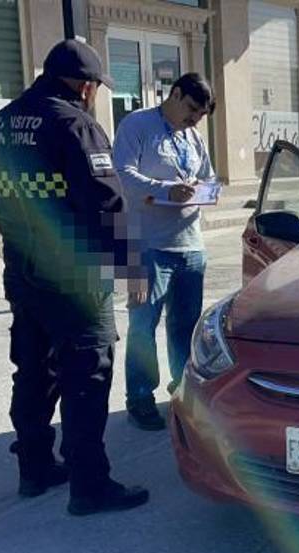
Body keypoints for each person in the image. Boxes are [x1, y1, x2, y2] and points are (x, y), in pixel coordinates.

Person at [0, 39, 149, 516]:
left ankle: (34, 469)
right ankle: (90, 486)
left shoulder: (2, 124)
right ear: (84, 85)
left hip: (24, 272)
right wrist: (131, 266)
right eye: (96, 86)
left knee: (34, 371)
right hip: (75, 280)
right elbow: (106, 204)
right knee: (86, 377)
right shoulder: (74, 123)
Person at [113, 74, 218, 431]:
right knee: (143, 325)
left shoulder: (194, 137)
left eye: (201, 115)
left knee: (185, 327)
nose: (194, 119)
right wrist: (165, 191)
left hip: (190, 245)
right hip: (146, 245)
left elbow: (208, 178)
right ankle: (140, 398)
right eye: (191, 109)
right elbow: (122, 175)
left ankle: (183, 392)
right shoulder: (137, 125)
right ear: (175, 94)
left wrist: (203, 190)